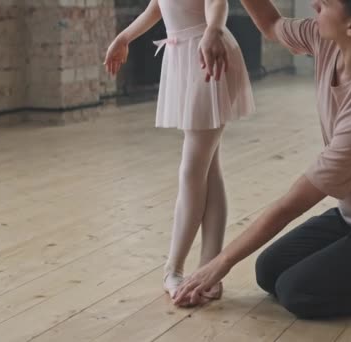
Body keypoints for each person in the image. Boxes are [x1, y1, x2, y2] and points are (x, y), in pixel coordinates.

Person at [173, 0, 351, 317]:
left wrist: (218, 263)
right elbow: (271, 24)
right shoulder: (328, 39)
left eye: (325, 4)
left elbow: (292, 203)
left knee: (299, 293)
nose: (314, 5)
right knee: (269, 270)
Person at [104, 0, 255, 303]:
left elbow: (216, 2)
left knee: (192, 170)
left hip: (208, 56)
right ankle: (210, 269)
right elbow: (156, 9)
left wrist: (213, 29)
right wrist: (124, 37)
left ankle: (173, 269)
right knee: (208, 169)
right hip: (185, 56)